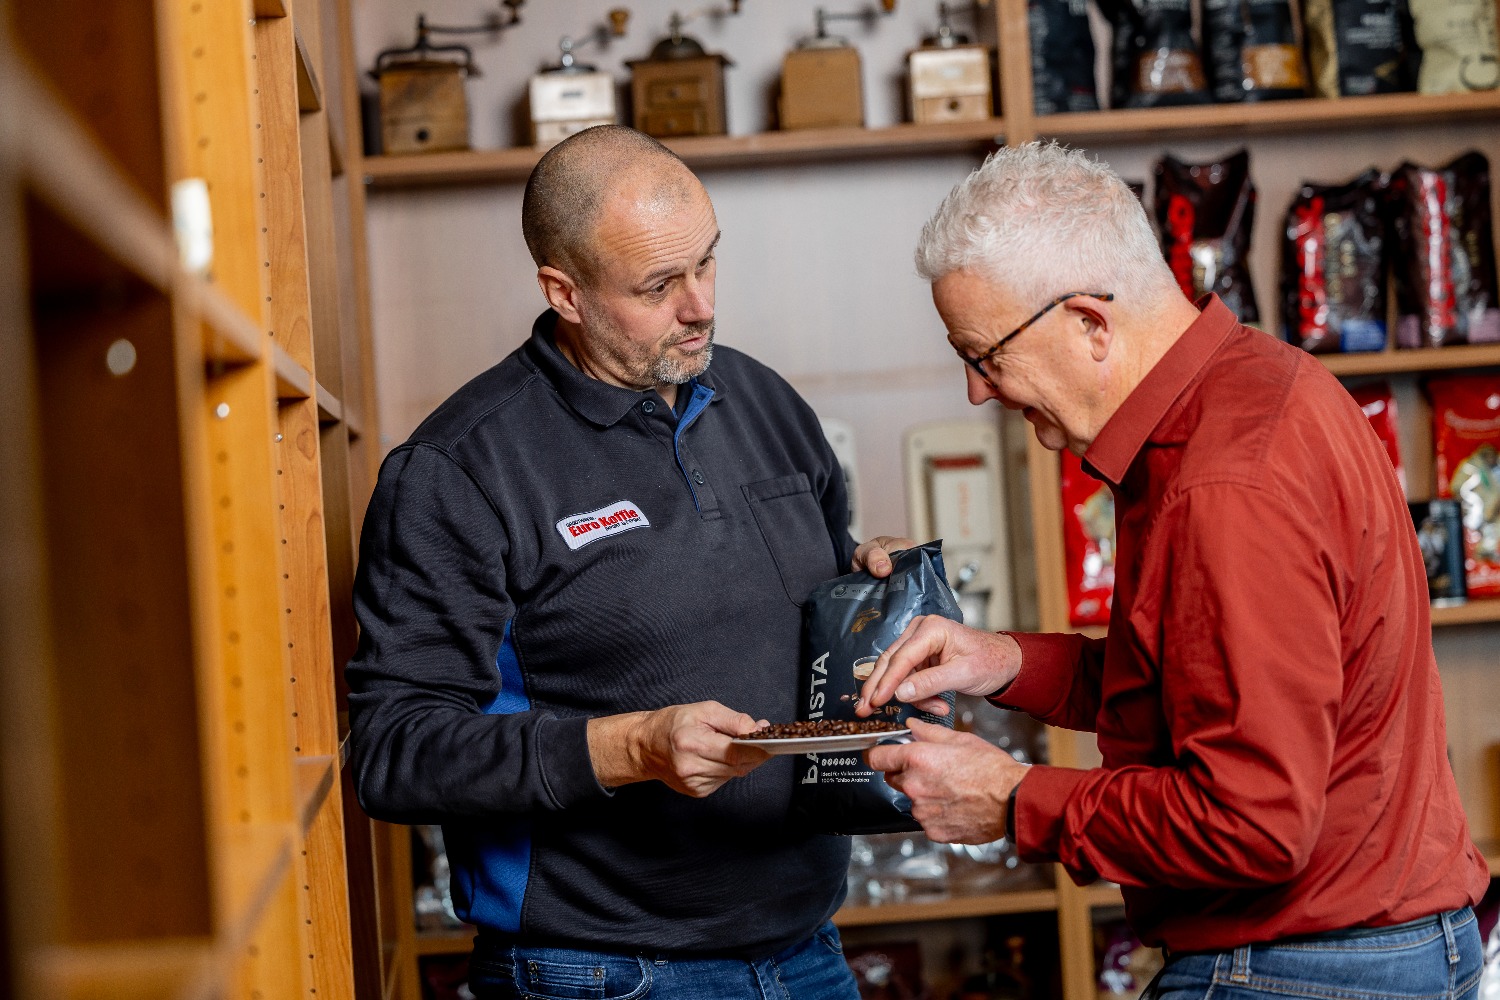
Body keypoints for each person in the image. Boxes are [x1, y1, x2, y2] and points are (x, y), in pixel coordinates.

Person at [854, 142, 1489, 998]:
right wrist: (1003, 660)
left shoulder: (1223, 487)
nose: (978, 392)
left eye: (984, 355)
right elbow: (1204, 690)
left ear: (1089, 323)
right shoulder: (1263, 387)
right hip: (1367, 947)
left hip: (1299, 969)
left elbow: (1252, 822)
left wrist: (1013, 799)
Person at [346, 125, 866, 999]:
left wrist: (873, 582)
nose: (700, 306)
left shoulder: (768, 402)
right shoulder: (459, 471)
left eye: (706, 263)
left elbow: (815, 614)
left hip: (808, 951)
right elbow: (394, 752)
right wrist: (630, 748)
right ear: (566, 293)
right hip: (595, 972)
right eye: (659, 285)